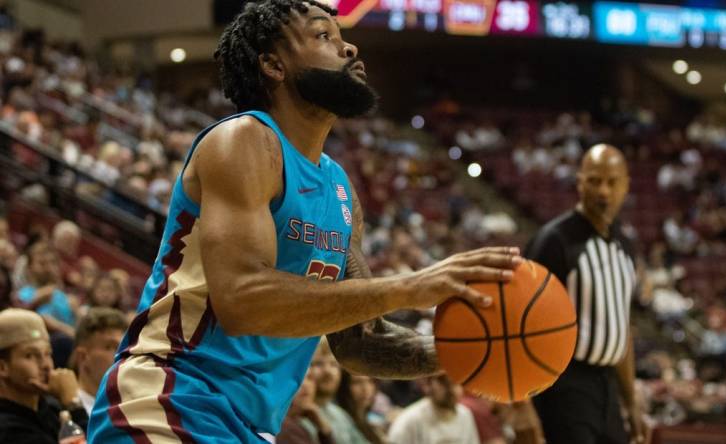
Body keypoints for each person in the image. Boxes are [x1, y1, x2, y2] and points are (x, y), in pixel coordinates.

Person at [87, 1, 522, 442]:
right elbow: (242, 300)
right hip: (169, 397)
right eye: (322, 36)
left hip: (248, 426)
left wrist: (464, 350)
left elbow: (359, 341)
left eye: (340, 36)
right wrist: (410, 286)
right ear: (274, 65)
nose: (348, 47)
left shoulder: (339, 188)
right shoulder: (244, 140)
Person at [524, 144, 647, 444]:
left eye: (612, 181)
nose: (603, 191)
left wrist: (630, 402)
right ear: (579, 182)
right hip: (565, 385)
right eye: (594, 181)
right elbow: (518, 322)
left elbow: (622, 329)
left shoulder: (625, 245)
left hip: (608, 387)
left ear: (626, 184)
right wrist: (521, 405)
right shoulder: (554, 240)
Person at [0, 308, 88, 444]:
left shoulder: (50, 408)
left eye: (47, 354)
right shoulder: (8, 429)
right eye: (30, 355)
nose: (46, 365)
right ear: (2, 368)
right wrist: (74, 404)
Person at [387, 374, 480, 444]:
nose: (452, 388)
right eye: (444, 381)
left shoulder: (465, 414)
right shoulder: (409, 421)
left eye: (456, 381)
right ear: (427, 385)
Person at [311, 339, 369, 444]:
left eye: (333, 364)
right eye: (318, 364)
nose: (328, 371)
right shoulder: (292, 415)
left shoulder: (340, 415)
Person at [71, 307, 127, 415]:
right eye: (110, 347)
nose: (121, 355)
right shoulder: (64, 409)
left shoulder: (128, 405)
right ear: (83, 356)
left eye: (123, 348)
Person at [278, 375, 335, 444]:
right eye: (297, 378)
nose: (305, 385)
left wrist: (323, 429)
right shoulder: (285, 427)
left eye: (309, 378)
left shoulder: (298, 423)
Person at [336, 369, 385, 444]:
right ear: (343, 386)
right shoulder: (340, 420)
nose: (366, 388)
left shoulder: (370, 422)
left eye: (370, 381)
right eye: (357, 382)